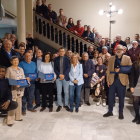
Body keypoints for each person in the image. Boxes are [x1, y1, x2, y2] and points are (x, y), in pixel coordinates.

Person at [103, 45, 132, 119]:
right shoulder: (112, 58)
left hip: (122, 81)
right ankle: (110, 111)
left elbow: (130, 69)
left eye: (120, 49)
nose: (119, 50)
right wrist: (108, 81)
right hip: (112, 80)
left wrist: (120, 70)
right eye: (117, 49)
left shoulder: (127, 58)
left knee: (121, 98)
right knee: (110, 97)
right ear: (115, 50)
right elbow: (108, 70)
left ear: (123, 50)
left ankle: (121, 112)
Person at [5, 56, 26, 125]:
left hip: (20, 89)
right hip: (12, 89)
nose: (16, 61)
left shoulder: (21, 69)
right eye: (14, 60)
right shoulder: (9, 69)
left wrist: (26, 82)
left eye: (17, 60)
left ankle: (18, 117)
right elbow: (7, 79)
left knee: (19, 103)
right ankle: (10, 120)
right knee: (12, 104)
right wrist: (14, 84)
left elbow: (23, 78)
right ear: (11, 62)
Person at [54, 47, 71, 112]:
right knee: (59, 92)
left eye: (62, 51)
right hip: (58, 78)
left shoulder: (67, 59)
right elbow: (55, 69)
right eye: (60, 51)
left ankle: (66, 104)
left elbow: (68, 68)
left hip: (65, 77)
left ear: (64, 52)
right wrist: (59, 75)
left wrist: (63, 75)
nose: (61, 52)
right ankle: (59, 105)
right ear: (59, 52)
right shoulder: (56, 59)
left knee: (66, 92)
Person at [130, 52, 140, 124]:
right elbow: (132, 75)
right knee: (135, 101)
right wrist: (131, 86)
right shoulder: (135, 63)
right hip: (137, 85)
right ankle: (137, 116)